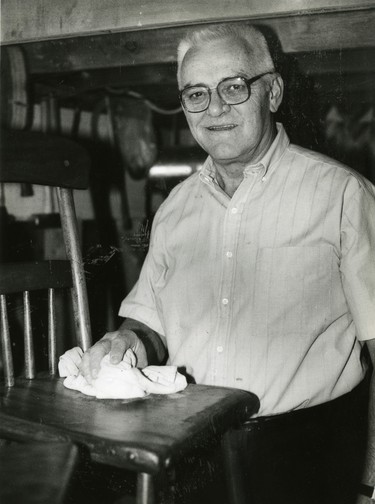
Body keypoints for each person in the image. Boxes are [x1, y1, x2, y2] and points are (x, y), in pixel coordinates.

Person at [81, 24, 375, 504]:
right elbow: (150, 327)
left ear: (273, 91)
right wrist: (127, 341)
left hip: (305, 463)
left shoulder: (343, 195)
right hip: (187, 459)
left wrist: (369, 482)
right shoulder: (175, 208)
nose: (215, 108)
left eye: (233, 87)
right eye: (196, 93)